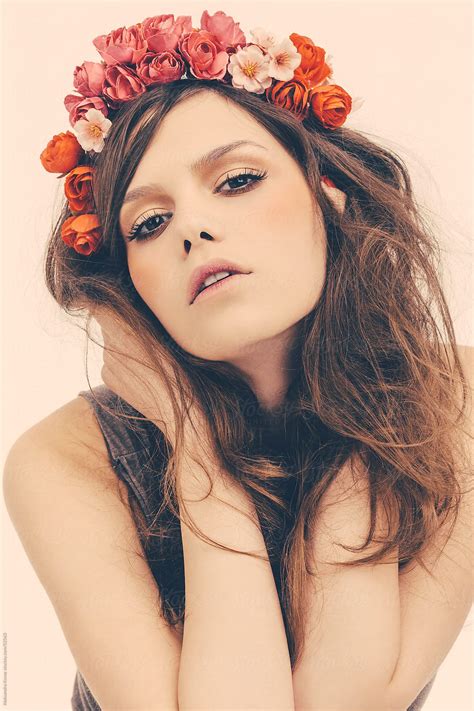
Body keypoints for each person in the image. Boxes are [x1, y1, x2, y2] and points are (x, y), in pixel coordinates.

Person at [3, 9, 473, 711]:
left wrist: (362, 404)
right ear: (128, 282)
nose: (192, 227)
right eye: (150, 223)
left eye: (236, 180)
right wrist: (195, 448)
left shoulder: (455, 397)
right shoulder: (61, 460)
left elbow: (342, 699)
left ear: (330, 196)